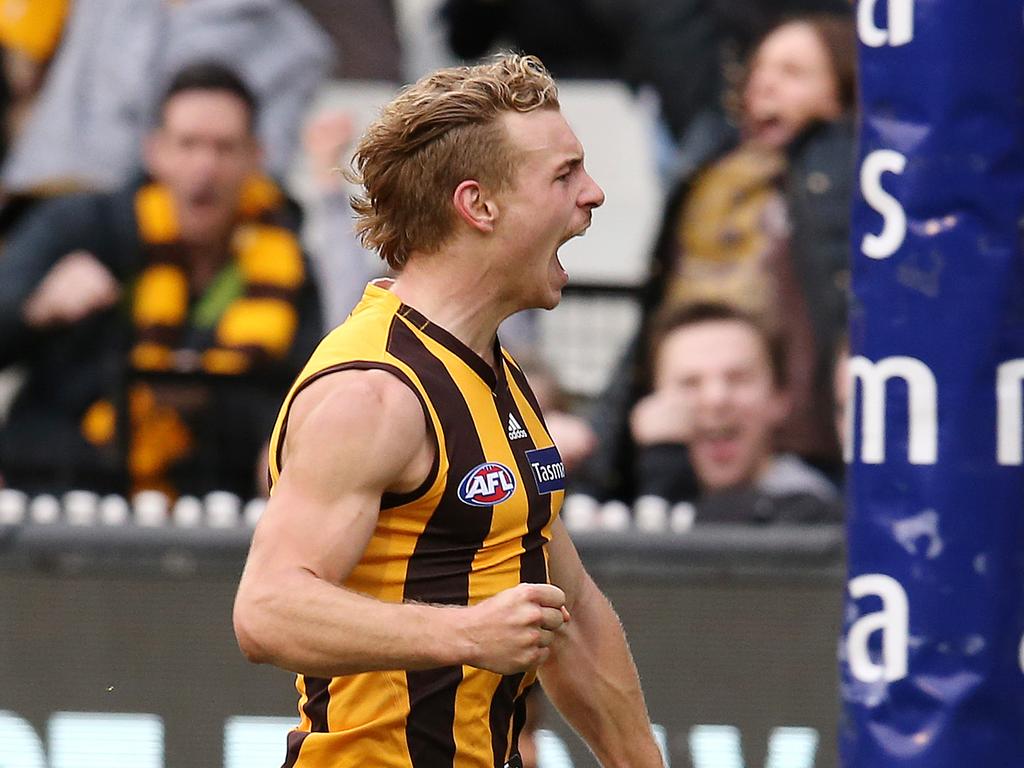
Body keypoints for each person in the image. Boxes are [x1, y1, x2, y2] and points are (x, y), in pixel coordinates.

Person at [232, 54, 662, 768]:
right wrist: (464, 635)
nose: (593, 194)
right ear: (479, 205)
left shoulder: (498, 371)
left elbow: (570, 609)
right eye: (564, 174)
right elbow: (266, 609)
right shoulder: (371, 391)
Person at [0, 61, 323, 498]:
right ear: (155, 152)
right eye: (187, 144)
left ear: (256, 157)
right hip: (60, 492)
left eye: (224, 147)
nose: (204, 167)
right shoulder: (81, 227)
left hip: (215, 506)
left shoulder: (288, 262)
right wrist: (39, 308)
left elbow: (298, 394)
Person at [575, 13, 856, 503]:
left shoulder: (850, 169)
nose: (766, 84)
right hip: (690, 438)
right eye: (760, 70)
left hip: (809, 448)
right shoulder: (709, 168)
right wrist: (602, 444)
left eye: (793, 72)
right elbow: (655, 314)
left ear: (843, 92)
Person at [630, 301, 841, 523]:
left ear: (780, 397)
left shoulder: (817, 515)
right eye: (690, 383)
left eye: (738, 379)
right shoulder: (613, 500)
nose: (716, 399)